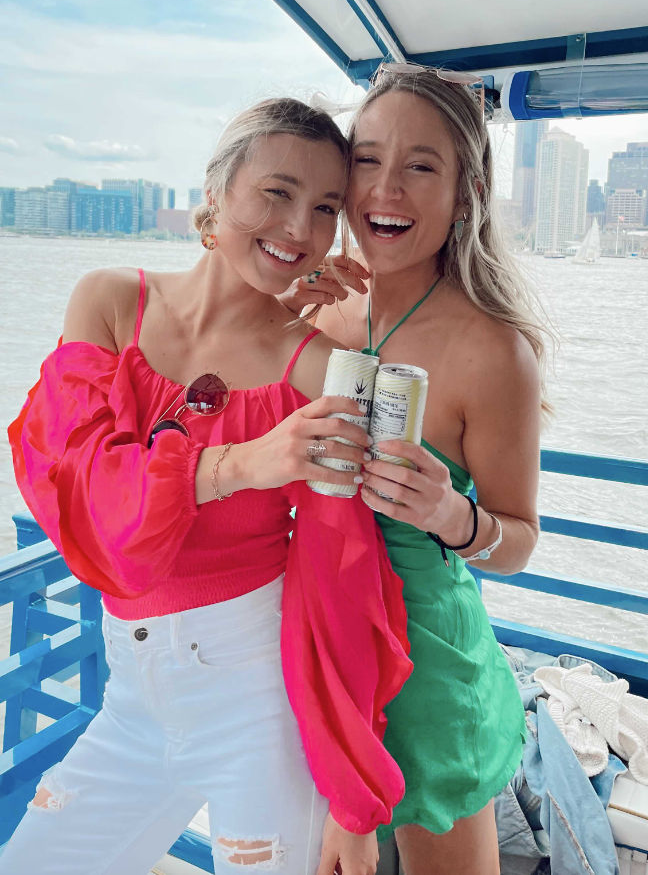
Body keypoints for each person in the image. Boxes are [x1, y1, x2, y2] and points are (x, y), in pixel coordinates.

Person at [4, 97, 412, 875]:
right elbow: (67, 486)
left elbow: (340, 584)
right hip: (131, 698)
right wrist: (236, 465)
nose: (300, 226)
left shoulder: (316, 369)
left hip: (257, 705)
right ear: (217, 193)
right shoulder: (110, 301)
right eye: (277, 192)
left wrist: (353, 802)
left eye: (326, 207)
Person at [283, 65, 545, 875]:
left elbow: (520, 539)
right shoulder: (316, 310)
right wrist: (278, 311)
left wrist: (452, 517)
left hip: (425, 667)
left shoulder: (494, 351)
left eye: (421, 166)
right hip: (315, 642)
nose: (385, 188)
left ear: (465, 192)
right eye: (367, 159)